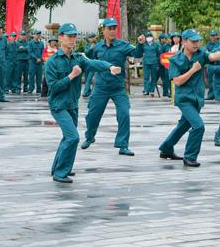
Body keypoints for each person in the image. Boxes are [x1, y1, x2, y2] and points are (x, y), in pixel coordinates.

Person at [45, 23, 120, 183]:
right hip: (58, 105)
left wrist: (110, 67)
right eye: (69, 36)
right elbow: (53, 88)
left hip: (72, 104)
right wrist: (71, 76)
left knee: (68, 137)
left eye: (74, 36)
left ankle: (58, 168)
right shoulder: (52, 62)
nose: (73, 40)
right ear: (60, 38)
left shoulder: (78, 58)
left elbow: (94, 63)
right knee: (73, 137)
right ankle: (60, 173)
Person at [159, 29, 220, 166]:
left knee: (183, 125)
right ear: (184, 42)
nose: (196, 44)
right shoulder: (175, 59)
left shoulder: (201, 54)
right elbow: (178, 81)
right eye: (193, 41)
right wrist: (193, 70)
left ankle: (166, 148)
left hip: (197, 98)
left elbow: (213, 57)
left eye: (198, 41)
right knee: (198, 126)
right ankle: (190, 157)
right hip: (184, 99)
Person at [81, 18, 146, 156]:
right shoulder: (97, 47)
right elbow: (88, 60)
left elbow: (137, 54)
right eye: (109, 28)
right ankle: (89, 137)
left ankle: (123, 145)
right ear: (103, 30)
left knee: (124, 113)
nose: (112, 31)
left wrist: (140, 44)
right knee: (92, 115)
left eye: (114, 28)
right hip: (100, 87)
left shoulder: (123, 45)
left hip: (118, 88)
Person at [142, 32, 162, 96]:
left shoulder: (156, 45)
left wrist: (158, 63)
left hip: (154, 63)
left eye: (150, 36)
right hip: (146, 62)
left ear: (152, 37)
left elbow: (159, 54)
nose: (149, 38)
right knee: (146, 77)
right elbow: (140, 51)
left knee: (154, 77)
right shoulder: (144, 45)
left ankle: (152, 90)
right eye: (147, 36)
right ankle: (146, 90)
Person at [27, 30, 45, 94]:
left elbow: (43, 52)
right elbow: (30, 52)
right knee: (31, 76)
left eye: (39, 35)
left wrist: (40, 58)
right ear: (34, 35)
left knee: (39, 76)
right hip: (32, 62)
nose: (38, 36)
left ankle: (39, 89)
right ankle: (31, 88)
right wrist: (36, 58)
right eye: (37, 34)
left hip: (39, 62)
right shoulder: (30, 43)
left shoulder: (41, 44)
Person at [81, 32, 98, 98]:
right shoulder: (87, 45)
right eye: (90, 37)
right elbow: (86, 53)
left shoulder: (98, 45)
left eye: (93, 37)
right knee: (87, 78)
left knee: (92, 79)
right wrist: (91, 48)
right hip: (88, 64)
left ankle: (86, 92)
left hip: (96, 63)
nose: (91, 39)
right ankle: (88, 91)